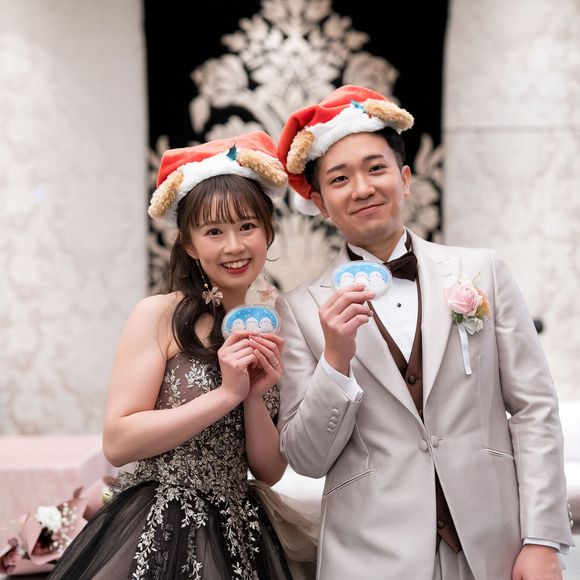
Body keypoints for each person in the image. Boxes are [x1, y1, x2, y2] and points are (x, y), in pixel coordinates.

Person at [274, 85, 574, 579]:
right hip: (369, 556)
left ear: (405, 178)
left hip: (491, 548)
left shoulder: (481, 272)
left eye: (376, 168)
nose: (362, 188)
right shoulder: (300, 309)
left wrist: (541, 539)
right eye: (340, 178)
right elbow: (306, 459)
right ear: (322, 203)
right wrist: (335, 360)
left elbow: (533, 408)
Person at [47, 131, 316, 579]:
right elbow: (118, 442)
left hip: (242, 529)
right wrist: (226, 395)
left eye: (247, 226)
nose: (234, 246)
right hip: (158, 523)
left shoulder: (275, 326)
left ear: (268, 231)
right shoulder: (159, 315)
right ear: (190, 245)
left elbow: (270, 471)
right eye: (214, 232)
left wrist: (252, 396)